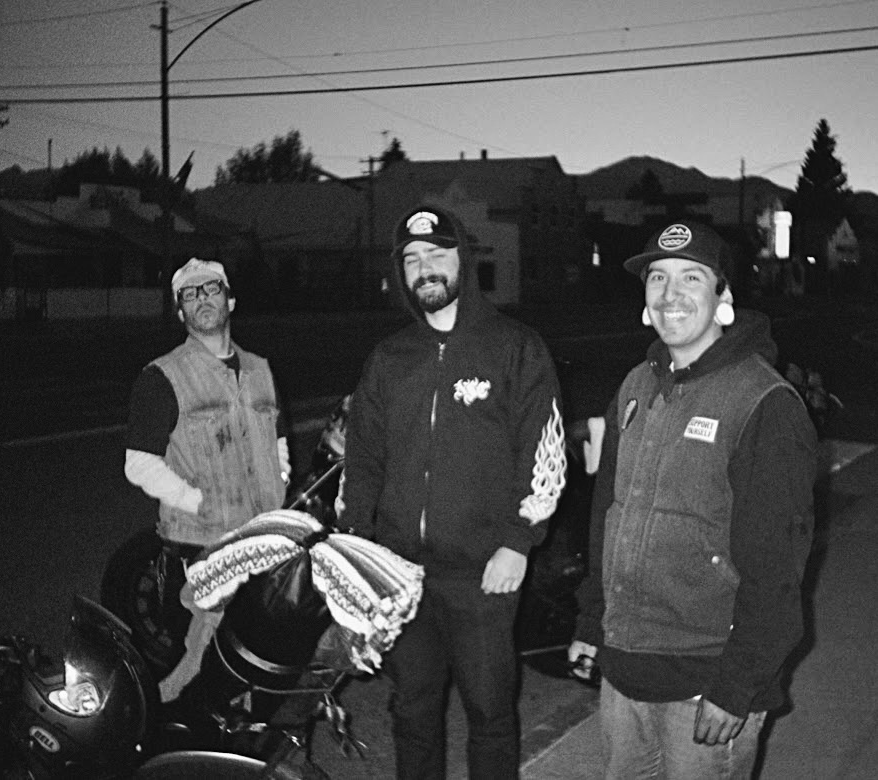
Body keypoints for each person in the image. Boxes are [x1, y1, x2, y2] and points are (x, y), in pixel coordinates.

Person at [568, 220, 818, 778]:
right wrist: (591, 621)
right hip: (624, 670)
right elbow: (607, 517)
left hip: (707, 681)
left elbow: (777, 565)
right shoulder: (634, 386)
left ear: (723, 298)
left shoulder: (763, 403)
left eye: (691, 277)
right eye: (658, 277)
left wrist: (738, 686)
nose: (670, 293)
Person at [340, 204, 568, 779]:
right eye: (412, 260)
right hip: (401, 576)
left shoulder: (515, 346)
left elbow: (543, 452)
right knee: (411, 712)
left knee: (489, 713)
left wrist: (518, 542)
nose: (425, 269)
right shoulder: (389, 357)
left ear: (463, 259)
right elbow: (362, 462)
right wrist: (356, 553)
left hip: (482, 574)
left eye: (437, 254)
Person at [124, 257, 291, 699]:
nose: (202, 298)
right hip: (199, 546)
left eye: (211, 288)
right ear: (180, 312)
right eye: (190, 294)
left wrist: (280, 480)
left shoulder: (260, 369)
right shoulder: (162, 376)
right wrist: (197, 503)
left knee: (253, 662)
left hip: (262, 540)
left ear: (230, 300)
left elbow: (278, 438)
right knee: (195, 670)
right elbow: (138, 464)